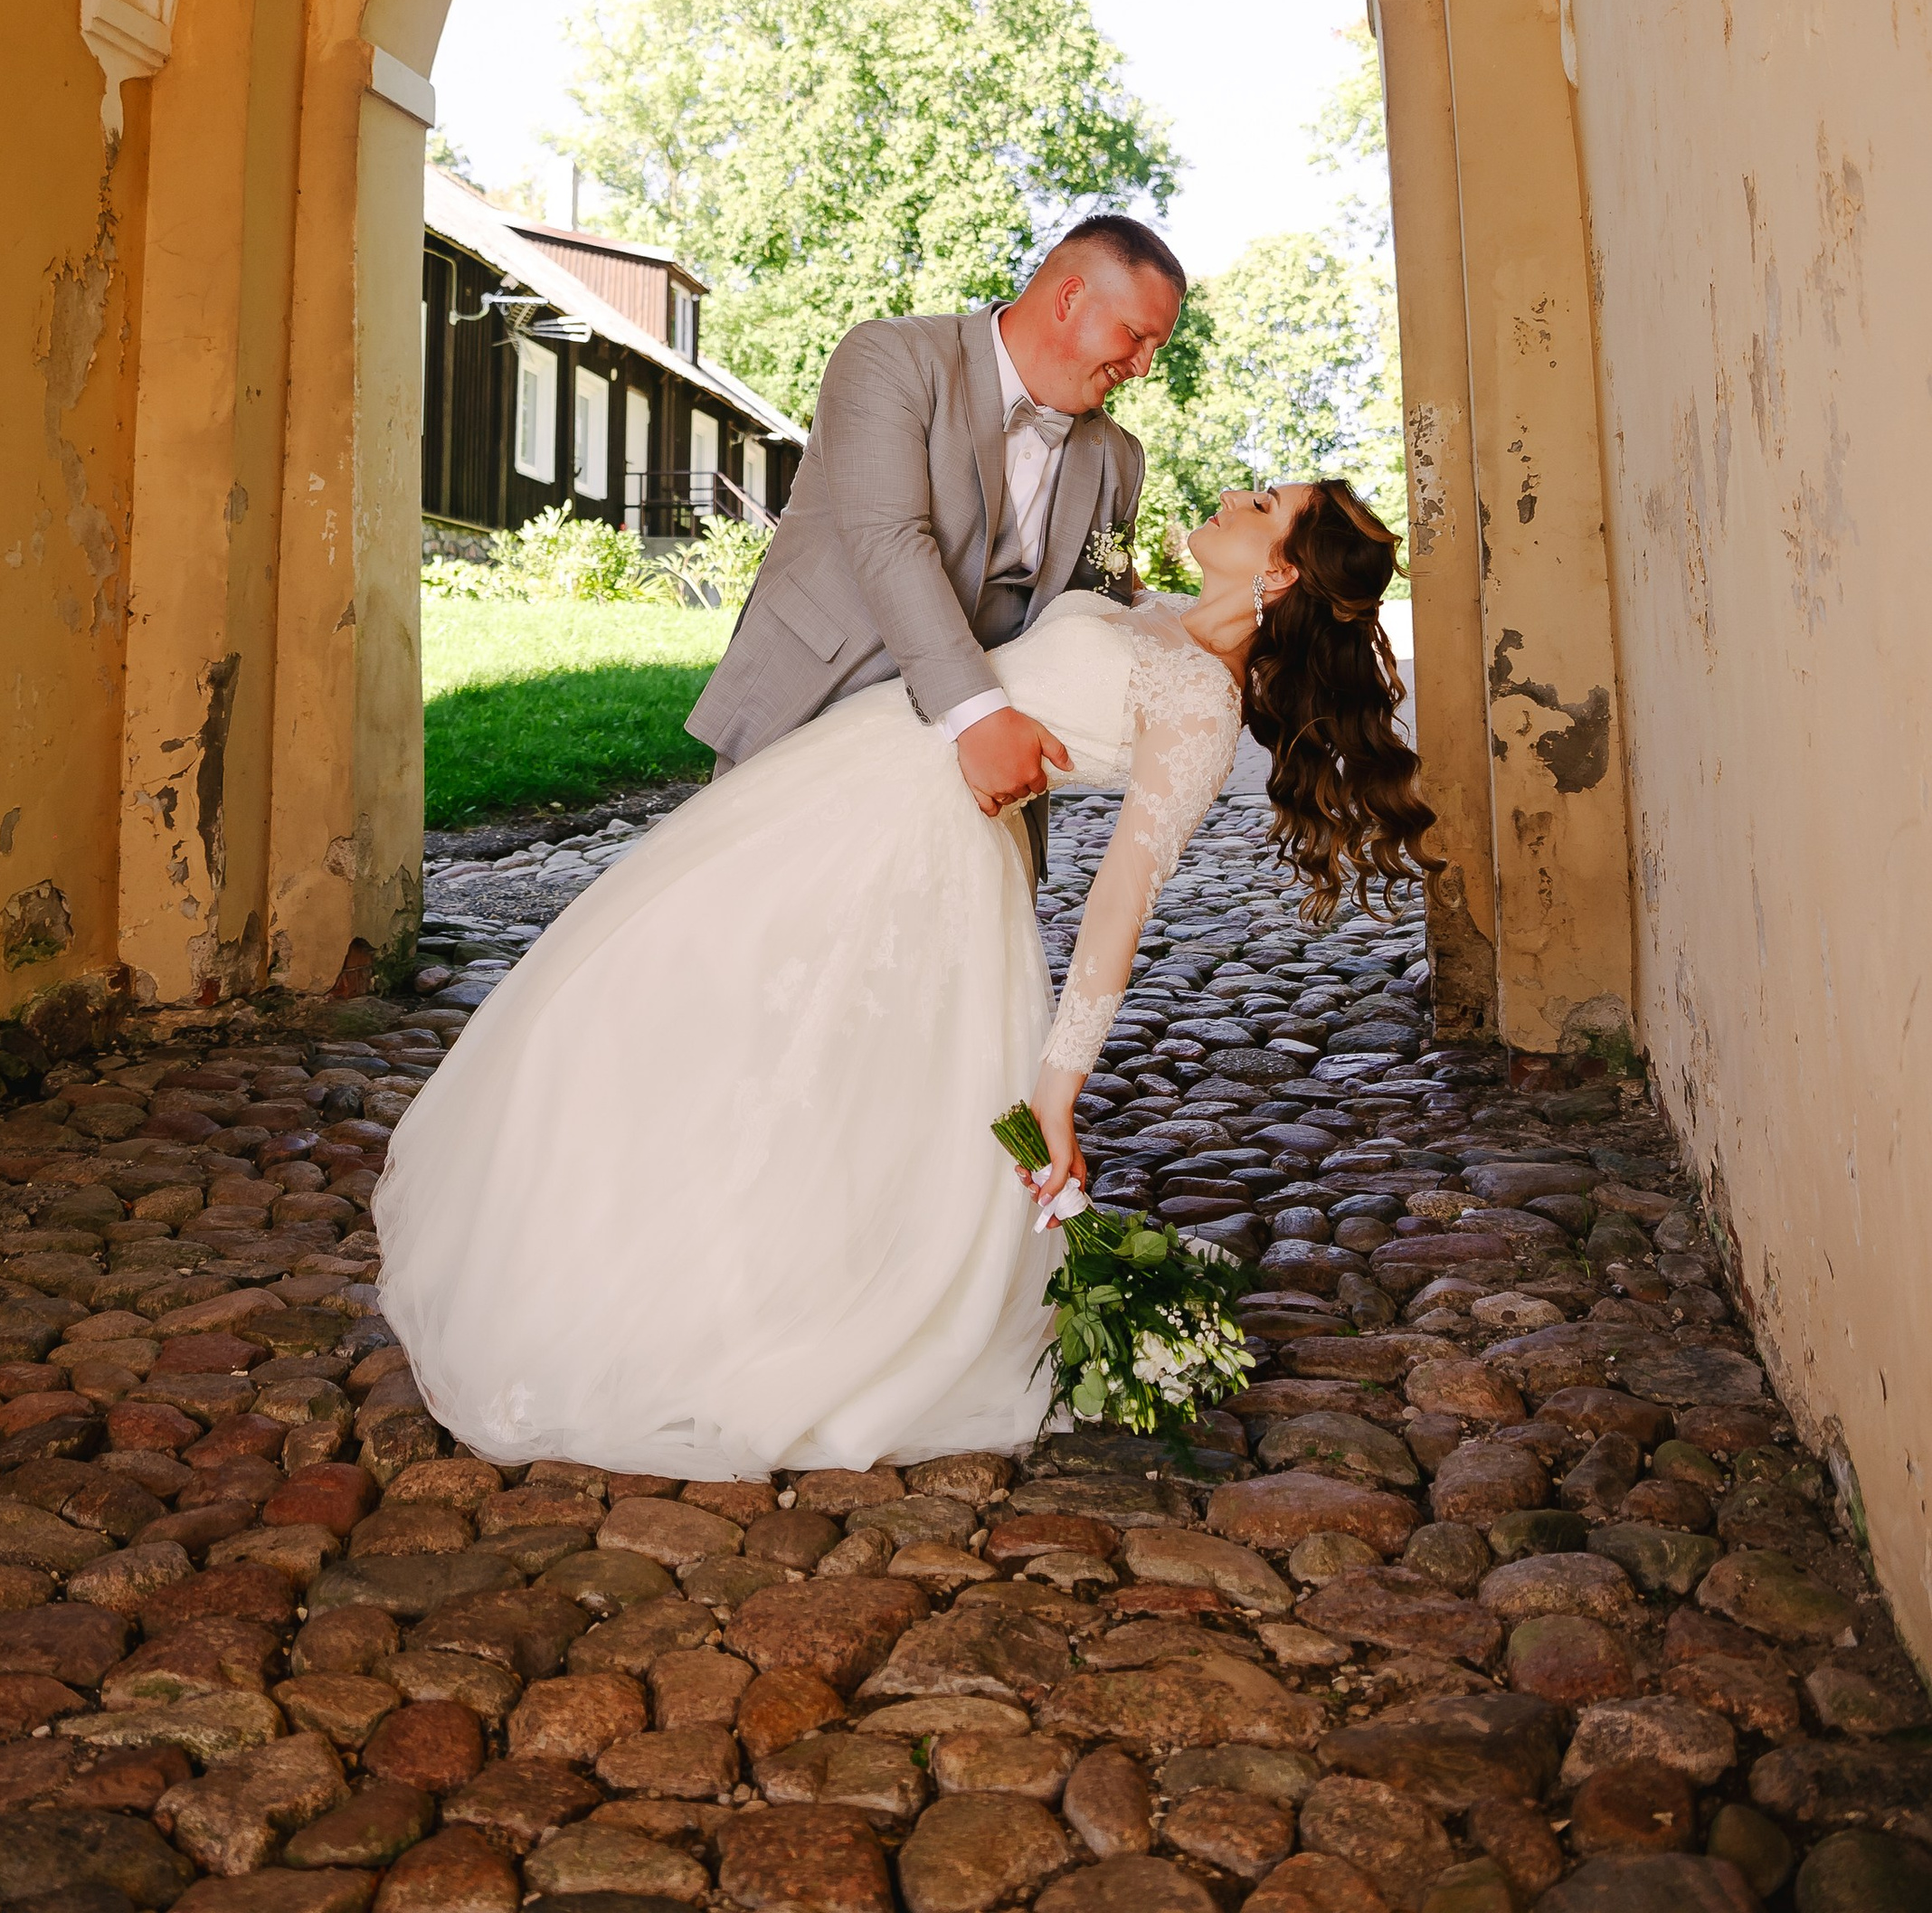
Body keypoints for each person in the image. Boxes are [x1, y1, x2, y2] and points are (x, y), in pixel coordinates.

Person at [374, 470, 1429, 1479]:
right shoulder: (1145, 607)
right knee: (668, 994)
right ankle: (600, 1264)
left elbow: (1121, 901)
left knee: (815, 1068)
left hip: (920, 858)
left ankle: (748, 1309)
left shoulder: (1200, 700)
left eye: (1261, 506)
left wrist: (1055, 1089)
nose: (1231, 498)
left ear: (1281, 574)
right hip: (839, 779)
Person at [686, 214, 1189, 873]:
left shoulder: (1119, 459)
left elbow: (1093, 613)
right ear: (1070, 298)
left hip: (959, 784)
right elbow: (889, 542)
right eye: (1136, 335)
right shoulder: (889, 358)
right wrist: (976, 717)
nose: (1145, 368)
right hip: (817, 700)